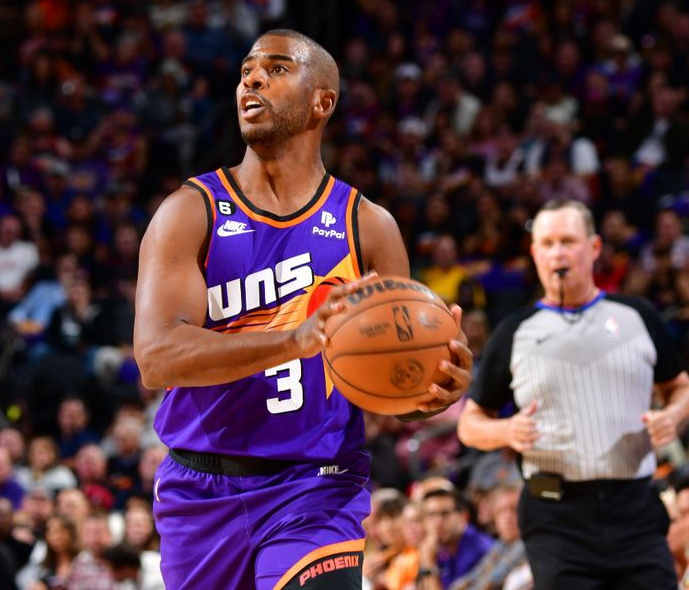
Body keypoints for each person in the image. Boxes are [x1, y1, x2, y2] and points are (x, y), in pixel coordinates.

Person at [133, 29, 473, 589]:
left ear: (323, 102)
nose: (252, 77)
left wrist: (432, 389)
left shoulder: (367, 226)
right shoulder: (191, 212)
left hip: (318, 486)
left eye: (277, 67)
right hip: (201, 492)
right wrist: (294, 340)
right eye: (246, 69)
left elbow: (390, 383)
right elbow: (158, 358)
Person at [457, 199, 689, 590]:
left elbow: (680, 386)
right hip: (555, 515)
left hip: (634, 506)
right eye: (546, 243)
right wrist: (506, 431)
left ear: (594, 248)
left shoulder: (637, 316)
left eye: (567, 241)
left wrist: (673, 414)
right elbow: (470, 422)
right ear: (534, 253)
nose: (557, 252)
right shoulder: (515, 332)